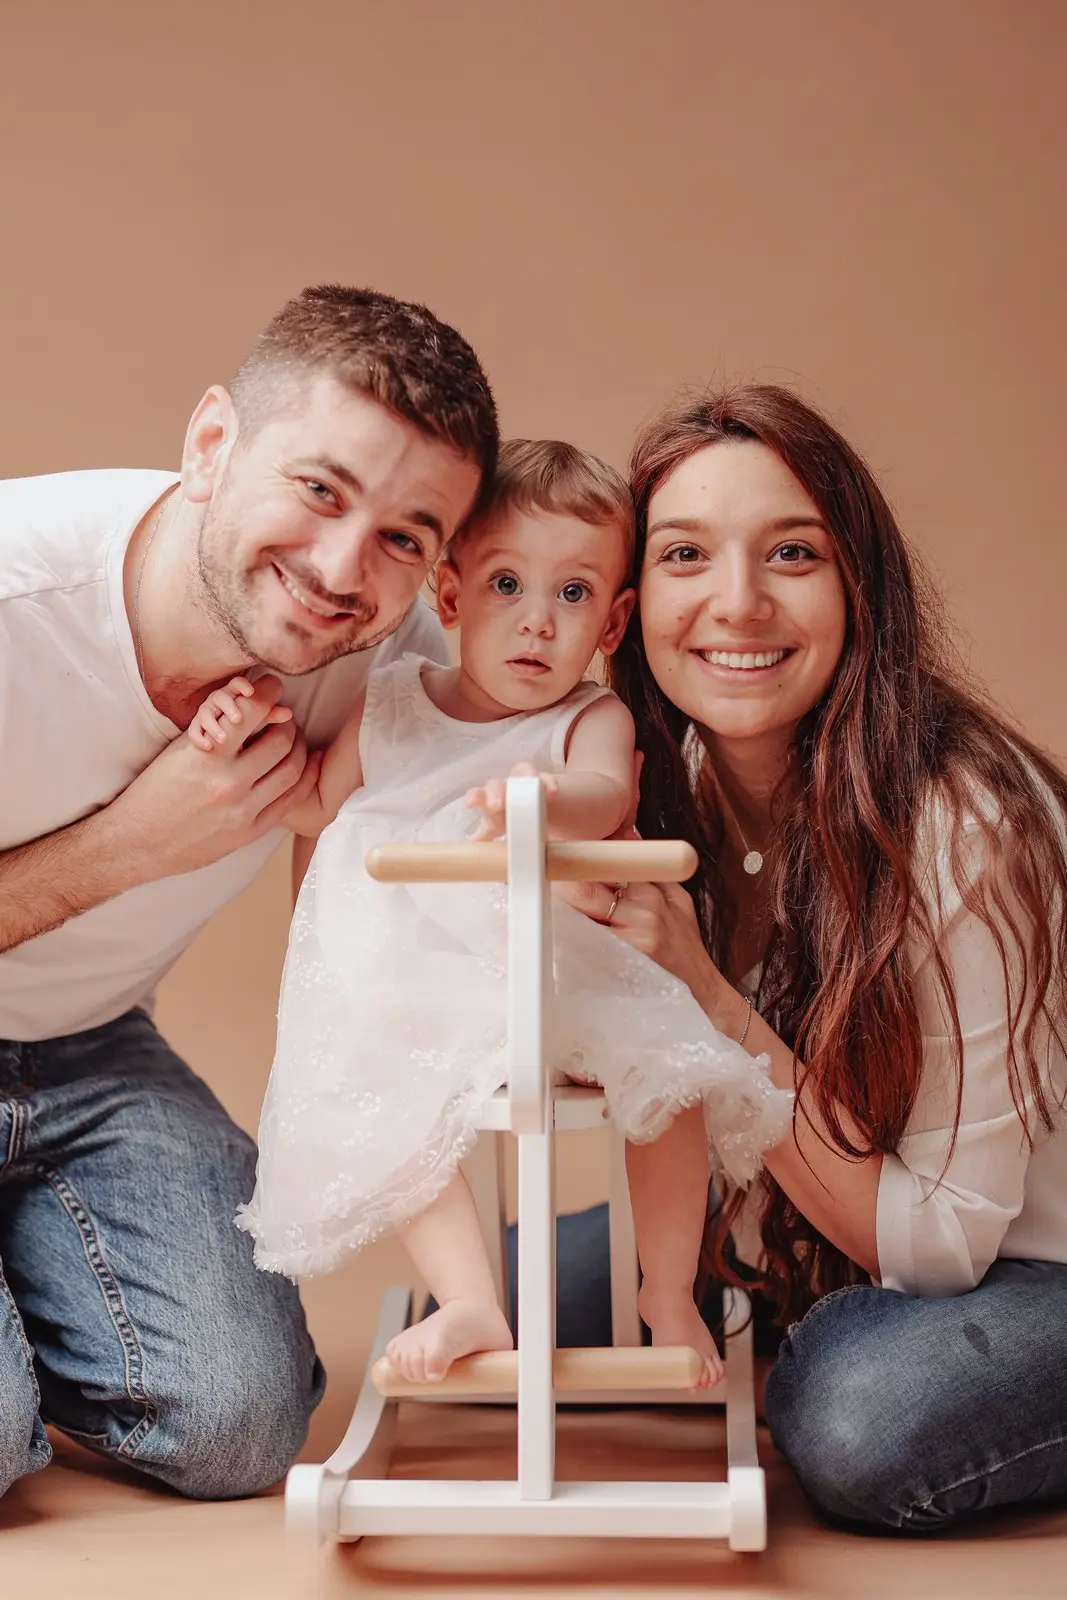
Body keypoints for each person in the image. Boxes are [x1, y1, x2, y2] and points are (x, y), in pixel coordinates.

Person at [0, 284, 498, 1501]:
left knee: (240, 1428)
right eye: (320, 490)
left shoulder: (385, 664)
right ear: (213, 444)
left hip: (84, 1048)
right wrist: (129, 844)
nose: (340, 570)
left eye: (404, 537)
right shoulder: (18, 601)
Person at [552, 383, 1067, 1532]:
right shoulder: (664, 771)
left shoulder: (959, 830)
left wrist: (702, 992)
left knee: (854, 1411)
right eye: (685, 555)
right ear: (631, 605)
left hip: (1018, 1256)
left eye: (791, 553)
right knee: (529, 1288)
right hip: (836, 1218)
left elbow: (937, 1243)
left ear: (855, 588)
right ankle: (789, 1310)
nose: (736, 604)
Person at [199, 440, 790, 1387]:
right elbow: (314, 804)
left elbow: (600, 795)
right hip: (420, 987)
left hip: (559, 976)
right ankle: (472, 1297)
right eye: (507, 585)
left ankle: (669, 1285)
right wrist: (248, 734)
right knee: (394, 1106)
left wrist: (544, 798)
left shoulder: (585, 722)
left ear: (613, 620)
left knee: (668, 1080)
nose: (536, 624)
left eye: (571, 595)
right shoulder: (392, 703)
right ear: (449, 597)